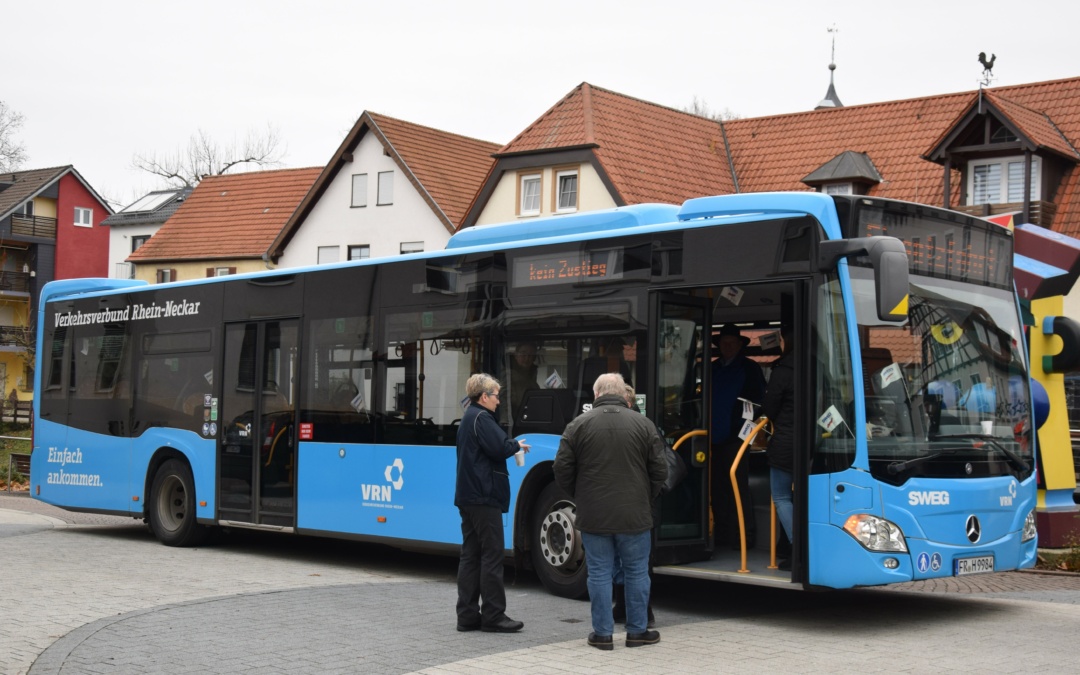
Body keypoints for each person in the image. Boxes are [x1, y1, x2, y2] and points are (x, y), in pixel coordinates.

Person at [554, 373, 666, 651]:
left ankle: (602, 635)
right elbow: (660, 470)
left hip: (594, 514)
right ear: (623, 394)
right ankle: (638, 631)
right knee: (637, 572)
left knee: (599, 573)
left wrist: (580, 495)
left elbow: (561, 469)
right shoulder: (644, 424)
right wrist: (644, 496)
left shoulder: (577, 425)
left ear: (596, 394)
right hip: (635, 515)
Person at [454, 373, 529, 633]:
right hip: (484, 496)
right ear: (484, 396)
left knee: (471, 556)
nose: (498, 401)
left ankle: (467, 615)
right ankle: (494, 615)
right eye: (496, 396)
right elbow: (499, 448)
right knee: (492, 555)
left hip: (469, 496)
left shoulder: (468, 417)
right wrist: (516, 444)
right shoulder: (482, 418)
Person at [710, 324, 766, 550]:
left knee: (737, 486)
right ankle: (722, 536)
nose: (728, 346)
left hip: (736, 438)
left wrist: (741, 428)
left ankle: (744, 537)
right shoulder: (712, 368)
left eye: (732, 343)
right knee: (717, 489)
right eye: (724, 343)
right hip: (711, 437)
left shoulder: (750, 368)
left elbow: (757, 402)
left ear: (739, 345)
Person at [611, 383, 656, 629]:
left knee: (632, 563)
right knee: (631, 561)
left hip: (634, 504)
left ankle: (640, 612)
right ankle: (627, 609)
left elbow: (658, 468)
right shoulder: (643, 425)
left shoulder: (636, 426)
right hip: (639, 502)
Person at [761, 329, 795, 570]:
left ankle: (797, 547)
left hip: (784, 442)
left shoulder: (782, 371)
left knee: (782, 497)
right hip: (812, 443)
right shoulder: (817, 366)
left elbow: (770, 406)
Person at [507, 342, 539, 417]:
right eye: (523, 354)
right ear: (516, 355)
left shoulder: (531, 378)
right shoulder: (508, 376)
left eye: (531, 355)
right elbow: (504, 402)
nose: (527, 358)